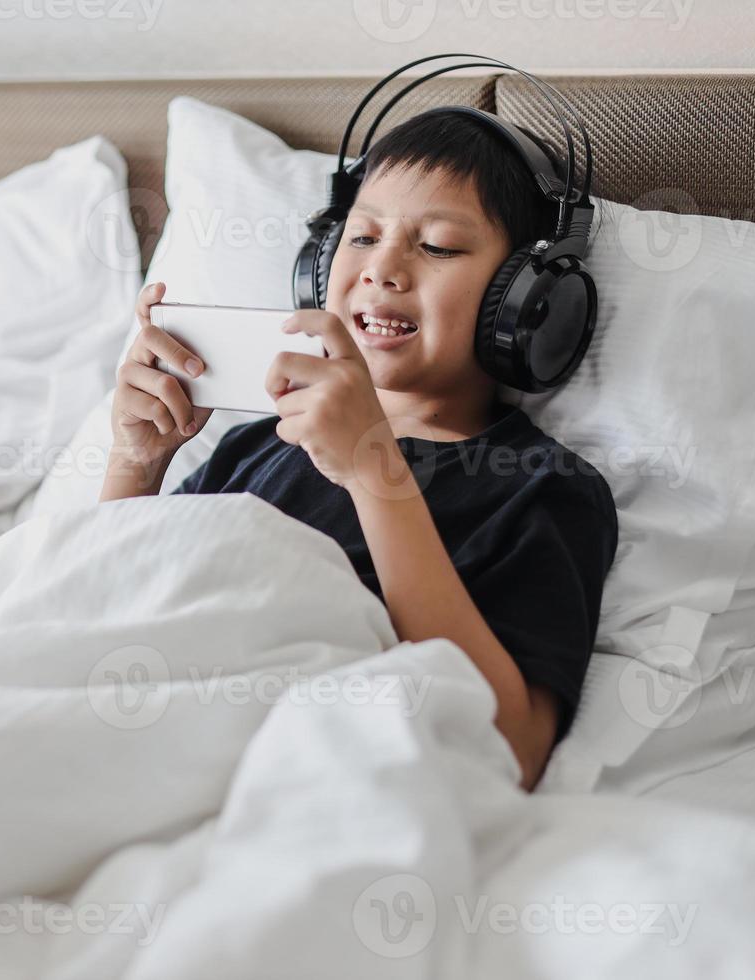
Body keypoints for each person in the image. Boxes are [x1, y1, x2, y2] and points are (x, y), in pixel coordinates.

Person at [99, 108, 618, 790]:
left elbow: (512, 748)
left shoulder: (543, 487)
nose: (382, 269)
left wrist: (376, 473)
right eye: (362, 236)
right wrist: (137, 463)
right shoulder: (261, 441)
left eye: (437, 247)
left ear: (524, 300)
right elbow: (106, 605)